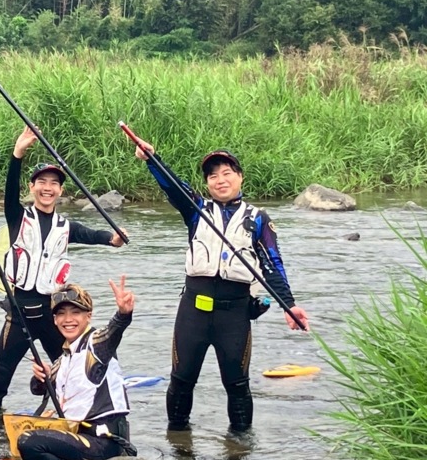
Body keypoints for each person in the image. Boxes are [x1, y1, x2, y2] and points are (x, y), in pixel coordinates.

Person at [131, 139, 310, 432]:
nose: (220, 180)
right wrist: (152, 159)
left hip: (235, 315)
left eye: (226, 172)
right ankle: (179, 446)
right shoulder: (196, 209)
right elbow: (173, 186)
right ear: (207, 183)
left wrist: (289, 306)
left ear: (240, 177)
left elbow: (272, 264)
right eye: (212, 175)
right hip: (193, 312)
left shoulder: (258, 219)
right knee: (181, 379)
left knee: (237, 384)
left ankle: (239, 453)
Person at [0, 126, 127, 415]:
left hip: (51, 314)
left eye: (53, 184)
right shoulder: (18, 217)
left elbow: (92, 234)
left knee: (68, 367)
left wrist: (113, 239)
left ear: (60, 190)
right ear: (33, 187)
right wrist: (18, 154)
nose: (47, 188)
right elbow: (10, 192)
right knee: (1, 374)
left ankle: (70, 411)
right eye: (42, 183)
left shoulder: (65, 226)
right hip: (20, 312)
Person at [17, 276, 136, 460]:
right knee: (20, 429)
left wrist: (123, 314)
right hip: (78, 436)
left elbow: (112, 334)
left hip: (105, 442)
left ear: (88, 316)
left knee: (29, 441)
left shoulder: (96, 345)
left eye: (76, 312)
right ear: (54, 320)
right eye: (61, 314)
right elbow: (38, 389)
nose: (68, 319)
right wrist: (42, 376)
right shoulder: (63, 359)